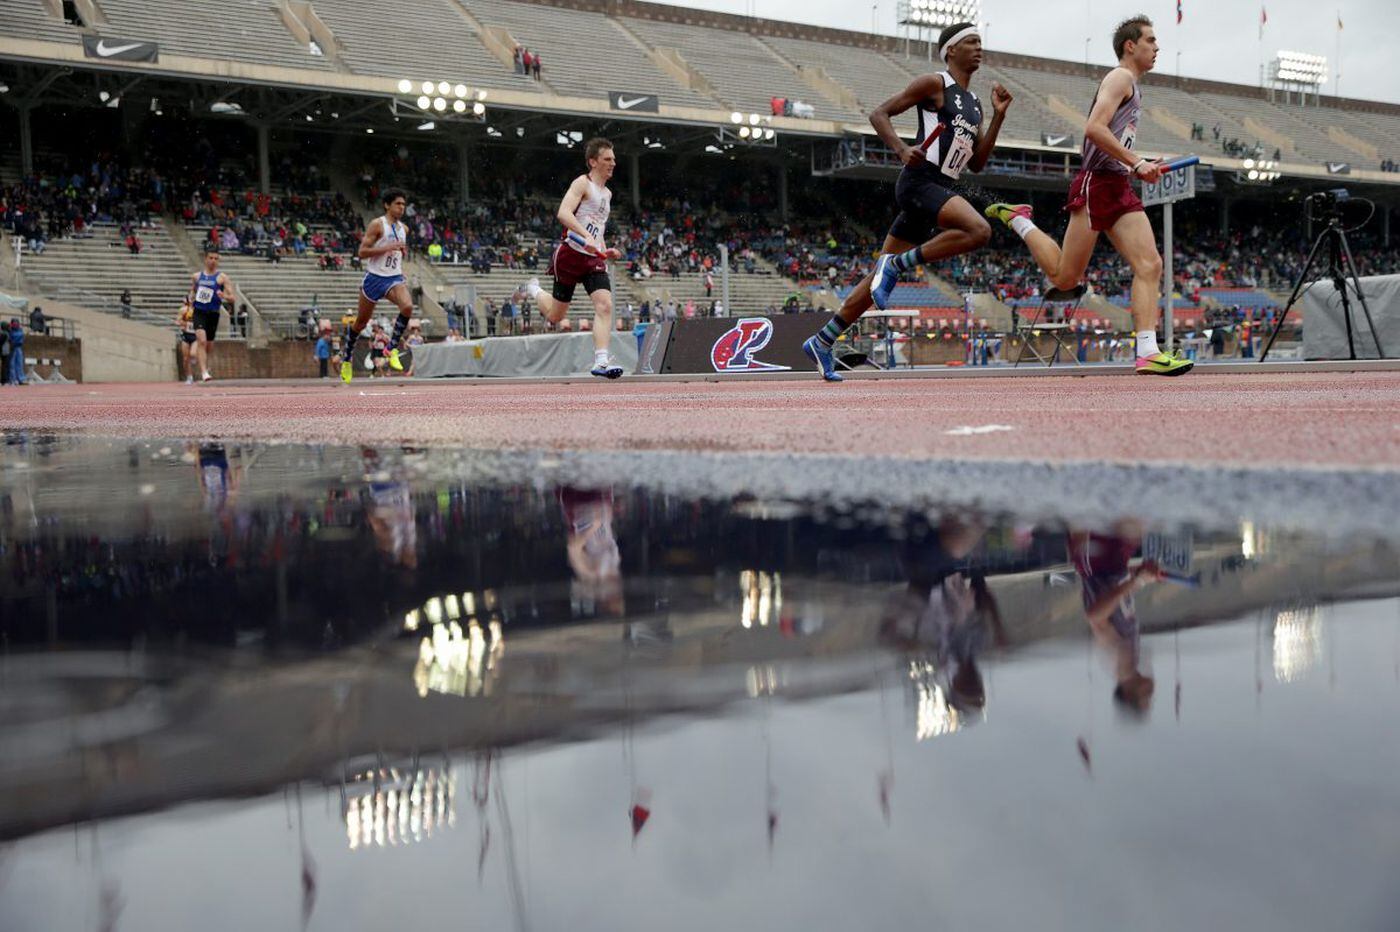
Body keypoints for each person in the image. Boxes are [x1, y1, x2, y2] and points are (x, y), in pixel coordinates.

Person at [802, 22, 1012, 381]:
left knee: (875, 280)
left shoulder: (974, 103)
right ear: (950, 51)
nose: (980, 47)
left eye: (981, 42)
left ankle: (823, 340)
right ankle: (899, 265)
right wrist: (901, 149)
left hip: (940, 187)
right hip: (919, 182)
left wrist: (998, 117)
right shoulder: (935, 84)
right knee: (979, 230)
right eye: (971, 42)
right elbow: (879, 113)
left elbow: (977, 162)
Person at [984, 16, 1191, 376]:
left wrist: (1135, 166)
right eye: (1151, 40)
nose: (1157, 48)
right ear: (1131, 46)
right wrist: (1136, 161)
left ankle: (1148, 352)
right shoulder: (1120, 77)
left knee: (1150, 265)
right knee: (1065, 279)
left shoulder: (1134, 87)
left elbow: (1111, 141)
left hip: (1116, 183)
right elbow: (1093, 129)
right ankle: (1019, 219)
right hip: (1096, 184)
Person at [524, 137, 626, 378]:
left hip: (592, 259)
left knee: (605, 305)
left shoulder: (608, 194)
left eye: (614, 159)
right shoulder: (583, 183)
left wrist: (605, 250)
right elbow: (564, 214)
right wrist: (585, 236)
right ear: (593, 161)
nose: (613, 163)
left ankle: (601, 361)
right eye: (607, 159)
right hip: (570, 255)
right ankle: (534, 290)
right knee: (556, 315)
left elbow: (596, 229)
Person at [340, 188, 414, 383]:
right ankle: (346, 359)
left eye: (404, 204)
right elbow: (362, 252)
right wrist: (387, 248)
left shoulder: (404, 229)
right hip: (374, 278)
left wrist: (399, 254)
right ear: (387, 205)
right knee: (361, 322)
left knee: (407, 306)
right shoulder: (377, 225)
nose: (401, 208)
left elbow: (397, 252)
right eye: (398, 204)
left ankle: (392, 348)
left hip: (394, 278)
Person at [188, 248, 233, 382]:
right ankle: (204, 373)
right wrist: (191, 297)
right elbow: (193, 291)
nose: (213, 261)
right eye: (211, 258)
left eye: (216, 258)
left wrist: (223, 295)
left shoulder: (222, 278)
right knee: (201, 340)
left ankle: (204, 364)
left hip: (213, 313)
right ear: (205, 259)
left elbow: (232, 298)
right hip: (199, 311)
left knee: (208, 345)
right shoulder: (196, 276)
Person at [176, 299, 197, 385]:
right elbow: (178, 321)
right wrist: (184, 324)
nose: (193, 300)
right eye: (191, 299)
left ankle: (198, 361)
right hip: (186, 335)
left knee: (192, 354)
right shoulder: (184, 310)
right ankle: (189, 376)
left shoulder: (200, 310)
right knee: (185, 359)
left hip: (196, 335)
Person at [7, 319, 27, 385]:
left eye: (16, 323)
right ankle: (13, 379)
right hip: (12, 348)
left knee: (19, 364)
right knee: (12, 364)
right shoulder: (10, 330)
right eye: (14, 323)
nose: (15, 324)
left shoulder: (20, 330)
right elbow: (10, 339)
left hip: (18, 348)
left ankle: (21, 379)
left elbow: (22, 338)